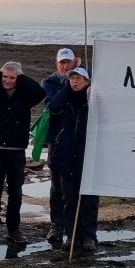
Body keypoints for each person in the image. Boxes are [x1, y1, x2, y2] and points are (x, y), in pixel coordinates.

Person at [0, 61, 45, 245]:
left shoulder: (25, 94)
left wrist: (20, 76)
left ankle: (13, 229)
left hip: (16, 151)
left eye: (12, 77)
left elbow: (40, 93)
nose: (8, 80)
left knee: (16, 193)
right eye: (5, 77)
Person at [46, 66, 100, 253]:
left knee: (89, 200)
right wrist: (66, 90)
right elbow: (52, 107)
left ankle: (89, 236)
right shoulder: (65, 98)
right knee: (69, 199)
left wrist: (93, 95)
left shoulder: (93, 101)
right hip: (65, 156)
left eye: (79, 78)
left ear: (88, 81)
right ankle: (72, 235)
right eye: (72, 78)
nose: (75, 81)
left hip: (89, 157)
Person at [35, 47, 80, 232]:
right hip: (57, 139)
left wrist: (78, 76)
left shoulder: (83, 77)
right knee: (57, 184)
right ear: (57, 63)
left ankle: (74, 225)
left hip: (78, 139)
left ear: (74, 62)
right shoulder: (49, 82)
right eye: (62, 62)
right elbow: (53, 107)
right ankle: (57, 224)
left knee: (75, 184)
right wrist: (70, 85)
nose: (65, 65)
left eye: (68, 62)